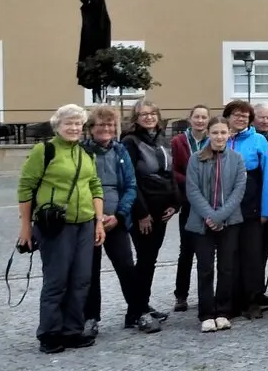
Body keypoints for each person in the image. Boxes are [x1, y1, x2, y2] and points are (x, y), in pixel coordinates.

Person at [17, 104, 106, 354]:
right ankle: (50, 332)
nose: (74, 128)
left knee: (81, 280)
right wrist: (25, 228)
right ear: (58, 126)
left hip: (85, 224)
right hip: (55, 226)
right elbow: (25, 188)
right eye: (69, 123)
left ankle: (72, 330)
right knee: (57, 280)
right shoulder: (44, 151)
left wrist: (99, 221)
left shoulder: (86, 154)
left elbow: (95, 187)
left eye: (78, 123)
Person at [184, 116, 247, 333]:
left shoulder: (237, 159)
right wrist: (210, 216)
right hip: (202, 224)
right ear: (208, 134)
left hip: (230, 222)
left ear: (229, 134)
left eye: (223, 132)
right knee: (205, 268)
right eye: (215, 133)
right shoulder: (196, 159)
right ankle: (206, 313)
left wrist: (220, 217)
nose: (219, 137)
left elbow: (238, 191)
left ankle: (223, 310)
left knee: (227, 267)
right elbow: (192, 191)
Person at [121, 99, 178, 333]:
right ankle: (136, 311)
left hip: (162, 209)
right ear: (135, 118)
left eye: (152, 113)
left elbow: (170, 174)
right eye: (143, 114)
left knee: (149, 260)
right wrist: (142, 213)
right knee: (144, 261)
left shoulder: (162, 139)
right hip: (143, 211)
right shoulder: (130, 142)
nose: (148, 117)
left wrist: (175, 203)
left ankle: (140, 305)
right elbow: (130, 179)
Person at [82, 106, 139, 340]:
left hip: (116, 220)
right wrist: (97, 217)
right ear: (91, 128)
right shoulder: (83, 152)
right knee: (89, 272)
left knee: (126, 267)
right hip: (89, 221)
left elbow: (131, 186)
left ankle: (137, 312)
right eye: (100, 125)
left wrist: (119, 214)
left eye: (109, 125)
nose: (105, 129)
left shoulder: (121, 151)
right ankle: (90, 318)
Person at [221, 100, 268, 320]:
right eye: (236, 114)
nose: (240, 118)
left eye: (245, 115)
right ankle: (231, 301)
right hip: (226, 211)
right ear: (227, 117)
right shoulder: (219, 139)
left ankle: (253, 300)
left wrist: (267, 210)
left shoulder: (259, 141)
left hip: (252, 209)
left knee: (252, 256)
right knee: (229, 257)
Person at [170, 104, 209, 312]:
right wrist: (192, 182)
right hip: (188, 202)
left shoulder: (213, 140)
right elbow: (173, 170)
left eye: (204, 117)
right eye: (197, 117)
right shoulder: (179, 141)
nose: (200, 121)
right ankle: (181, 295)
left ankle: (209, 293)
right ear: (190, 118)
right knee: (186, 250)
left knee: (209, 250)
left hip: (209, 203)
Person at [251, 102, 268, 307]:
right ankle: (250, 293)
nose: (265, 120)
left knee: (263, 250)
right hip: (252, 205)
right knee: (251, 251)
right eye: (261, 117)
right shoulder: (254, 140)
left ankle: (258, 291)